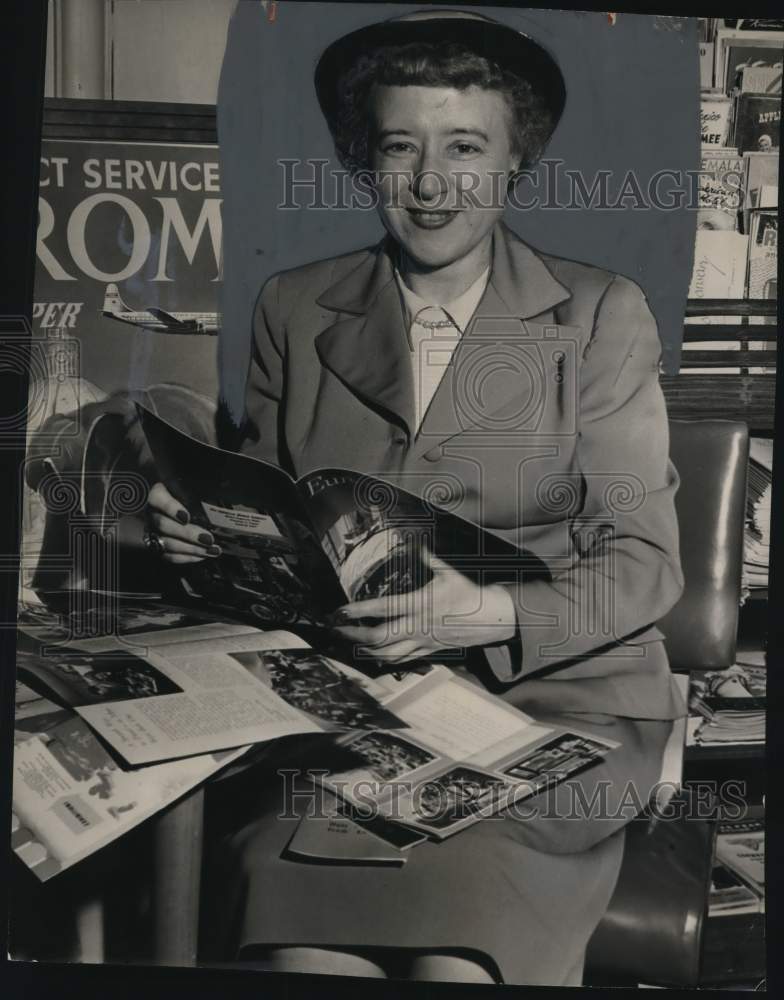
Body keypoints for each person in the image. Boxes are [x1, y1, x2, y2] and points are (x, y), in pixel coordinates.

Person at [143, 9, 687, 986]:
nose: (432, 184)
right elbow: (279, 528)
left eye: (466, 148)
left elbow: (645, 568)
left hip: (557, 711)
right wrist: (208, 541)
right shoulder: (297, 307)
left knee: (459, 944)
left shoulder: (600, 315)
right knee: (298, 940)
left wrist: (487, 610)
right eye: (401, 147)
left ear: (516, 159)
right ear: (364, 158)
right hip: (363, 709)